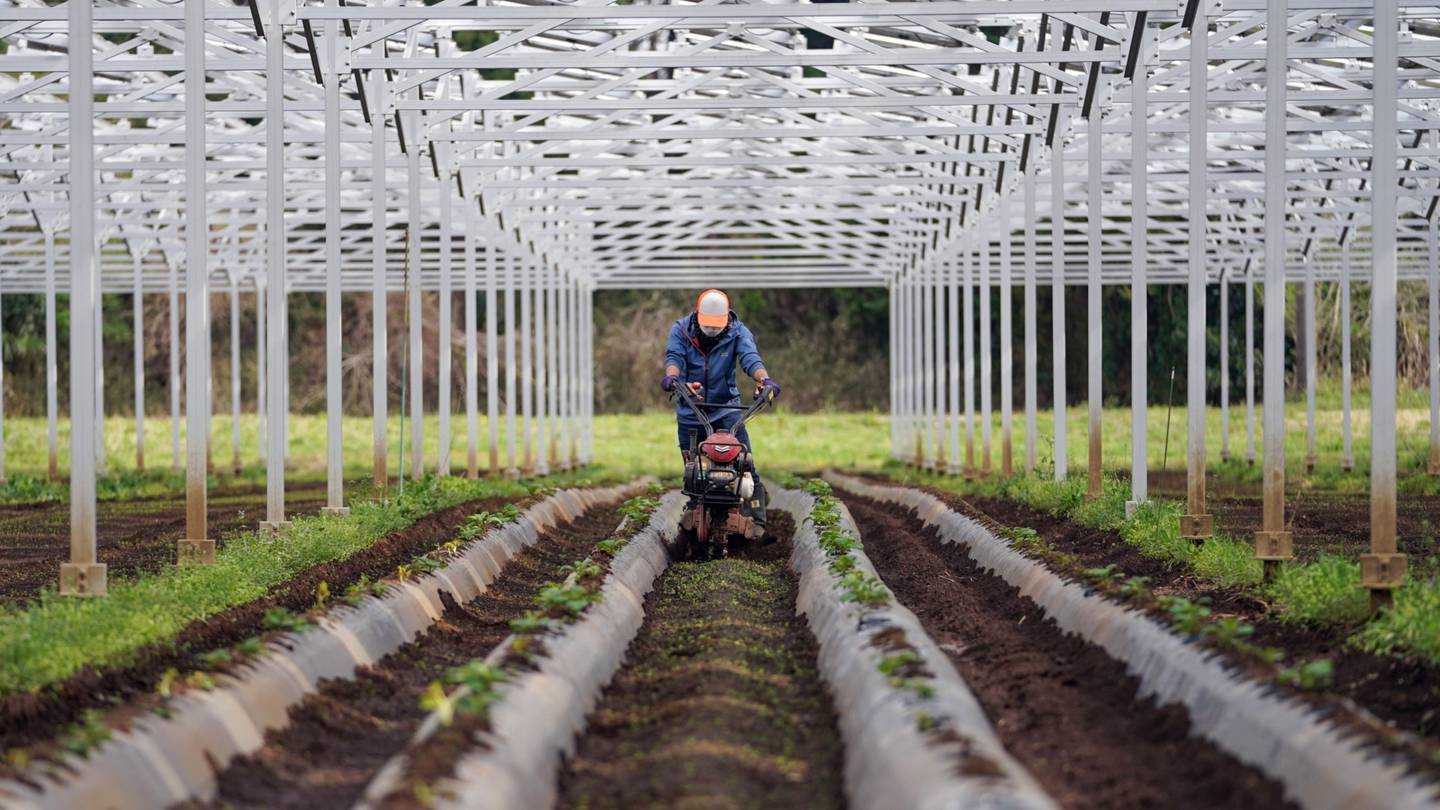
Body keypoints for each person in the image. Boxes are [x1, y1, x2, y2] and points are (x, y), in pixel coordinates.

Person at [661, 289, 781, 461]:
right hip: (691, 408)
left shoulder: (738, 332)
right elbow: (674, 357)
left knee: (745, 462)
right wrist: (673, 379)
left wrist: (764, 379)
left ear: (726, 318)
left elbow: (750, 358)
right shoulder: (681, 330)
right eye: (707, 325)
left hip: (726, 409)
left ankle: (753, 487)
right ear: (698, 315)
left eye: (716, 325)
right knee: (693, 469)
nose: (711, 330)